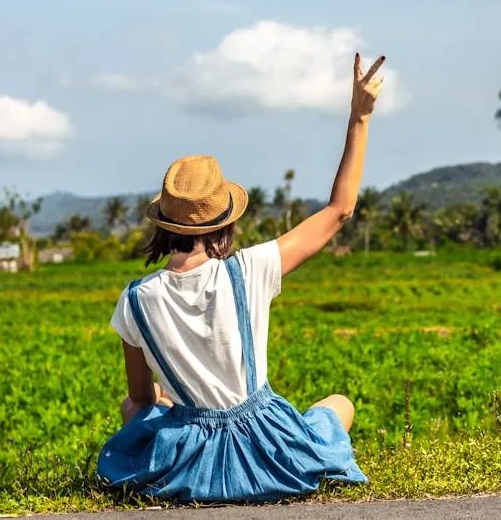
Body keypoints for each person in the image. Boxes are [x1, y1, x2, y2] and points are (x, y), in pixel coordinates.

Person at [96, 53, 386, 502]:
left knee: (137, 404)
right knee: (338, 406)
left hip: (189, 464)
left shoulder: (136, 300)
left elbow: (140, 399)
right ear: (225, 222)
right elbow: (339, 210)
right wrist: (359, 116)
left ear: (164, 225)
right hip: (272, 452)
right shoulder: (250, 268)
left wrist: (173, 396)